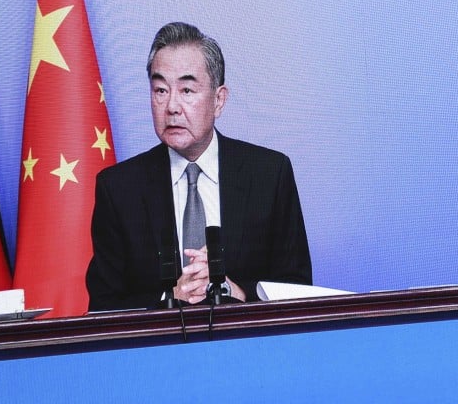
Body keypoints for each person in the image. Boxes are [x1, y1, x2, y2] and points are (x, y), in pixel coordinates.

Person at [86, 22, 311, 311]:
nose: (172, 107)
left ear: (219, 100)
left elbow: (299, 289)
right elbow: (103, 307)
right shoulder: (119, 189)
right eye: (160, 90)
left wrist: (236, 291)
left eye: (187, 90)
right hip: (159, 352)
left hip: (250, 348)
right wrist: (169, 299)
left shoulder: (269, 174)